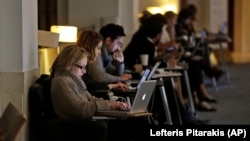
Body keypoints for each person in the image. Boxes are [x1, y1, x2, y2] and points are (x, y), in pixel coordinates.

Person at [50, 45, 148, 141]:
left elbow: (90, 99)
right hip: (81, 127)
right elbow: (78, 109)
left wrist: (114, 105)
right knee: (137, 122)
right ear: (68, 63)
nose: (84, 72)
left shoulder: (73, 80)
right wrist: (110, 106)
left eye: (85, 67)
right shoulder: (60, 82)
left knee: (137, 117)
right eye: (82, 67)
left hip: (90, 122)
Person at [76, 29, 129, 95]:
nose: (100, 53)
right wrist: (113, 85)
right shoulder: (79, 66)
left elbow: (112, 73)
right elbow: (92, 87)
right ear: (89, 47)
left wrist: (120, 63)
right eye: (98, 48)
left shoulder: (107, 55)